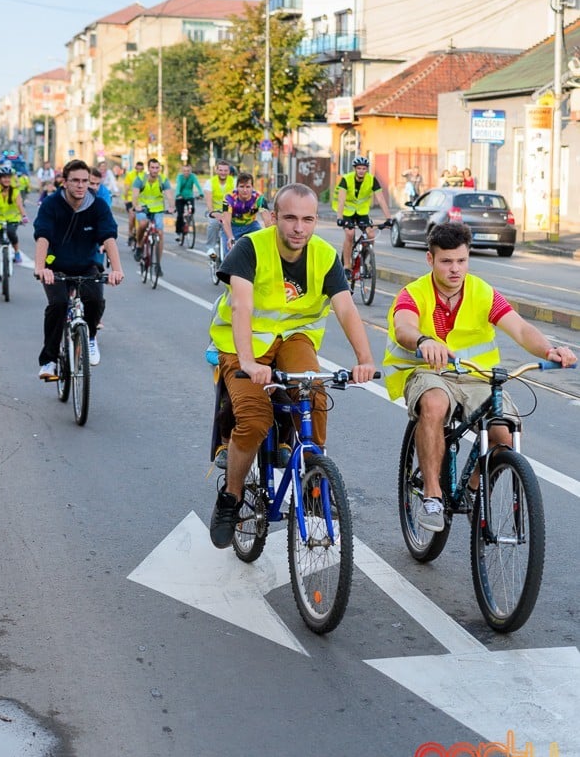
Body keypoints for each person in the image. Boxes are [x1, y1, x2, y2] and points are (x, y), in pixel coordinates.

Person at [207, 182, 380, 548]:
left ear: (317, 221)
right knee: (254, 420)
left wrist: (364, 359)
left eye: (307, 219)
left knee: (313, 392)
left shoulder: (324, 254)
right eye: (289, 218)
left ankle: (315, 480)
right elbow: (241, 307)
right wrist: (250, 362)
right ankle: (231, 498)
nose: (298, 228)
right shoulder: (249, 247)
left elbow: (346, 307)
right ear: (272, 217)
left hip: (296, 337)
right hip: (244, 342)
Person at [382, 222, 576, 533]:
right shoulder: (414, 293)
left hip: (475, 377)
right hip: (428, 373)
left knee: (504, 436)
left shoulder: (481, 292)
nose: (455, 269)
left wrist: (549, 351)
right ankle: (432, 496)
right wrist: (423, 342)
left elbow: (521, 329)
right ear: (430, 260)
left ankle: (473, 487)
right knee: (434, 405)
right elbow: (404, 327)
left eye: (461, 260)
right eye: (446, 261)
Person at [33, 159, 124, 380]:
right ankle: (49, 361)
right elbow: (43, 235)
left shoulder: (97, 205)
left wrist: (117, 269)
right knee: (58, 304)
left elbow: (108, 236)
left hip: (86, 264)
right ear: (65, 182)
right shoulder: (51, 204)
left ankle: (90, 337)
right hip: (55, 266)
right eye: (75, 180)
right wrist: (40, 267)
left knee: (94, 301)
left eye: (85, 181)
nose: (81, 185)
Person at [334, 156, 392, 278]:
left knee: (370, 235)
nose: (361, 171)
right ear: (355, 169)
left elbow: (381, 199)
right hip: (347, 212)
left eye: (364, 168)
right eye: (359, 168)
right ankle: (347, 267)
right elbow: (341, 200)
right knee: (349, 234)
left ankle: (365, 260)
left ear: (367, 169)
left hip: (362, 212)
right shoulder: (346, 179)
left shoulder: (371, 180)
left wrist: (388, 218)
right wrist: (339, 218)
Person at [0, 165, 27, 289]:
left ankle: (17, 253)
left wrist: (24, 216)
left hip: (11, 219)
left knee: (12, 233)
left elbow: (19, 205)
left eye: (8, 177)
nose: (7, 180)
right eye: (4, 178)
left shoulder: (15, 191)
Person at [132, 158, 174, 272]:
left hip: (158, 210)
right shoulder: (140, 179)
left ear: (159, 168)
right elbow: (135, 195)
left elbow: (169, 195)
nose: (155, 170)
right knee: (143, 224)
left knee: (160, 233)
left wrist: (171, 207)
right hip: (143, 209)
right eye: (152, 167)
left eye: (157, 168)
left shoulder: (163, 180)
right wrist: (136, 205)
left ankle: (158, 264)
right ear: (148, 168)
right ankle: (139, 246)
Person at [220, 172, 270, 254]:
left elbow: (267, 220)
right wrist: (230, 237)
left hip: (251, 226)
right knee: (230, 256)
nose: (245, 190)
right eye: (241, 186)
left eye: (248, 187)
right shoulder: (228, 198)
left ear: (252, 187)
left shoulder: (259, 198)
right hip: (233, 227)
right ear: (237, 187)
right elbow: (226, 221)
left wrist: (270, 236)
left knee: (262, 247)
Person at [204, 160, 236, 258]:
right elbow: (209, 201)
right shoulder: (210, 182)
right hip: (216, 211)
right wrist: (212, 212)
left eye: (225, 170)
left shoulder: (234, 181)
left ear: (229, 171)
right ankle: (210, 247)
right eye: (220, 170)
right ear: (216, 170)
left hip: (231, 211)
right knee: (213, 224)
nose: (223, 172)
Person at [174, 164, 203, 242]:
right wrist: (178, 194)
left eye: (188, 171)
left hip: (189, 197)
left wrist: (201, 194)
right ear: (182, 171)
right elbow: (178, 187)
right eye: (184, 171)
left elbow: (198, 185)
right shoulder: (180, 177)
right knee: (180, 215)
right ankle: (178, 232)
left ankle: (188, 222)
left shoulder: (193, 177)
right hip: (180, 197)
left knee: (192, 210)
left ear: (191, 171)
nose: (186, 172)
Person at [123, 161, 145, 244]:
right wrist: (125, 198)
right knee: (132, 216)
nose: (139, 170)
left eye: (141, 169)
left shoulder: (145, 176)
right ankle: (130, 234)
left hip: (141, 200)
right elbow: (126, 188)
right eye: (137, 169)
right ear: (135, 168)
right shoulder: (130, 175)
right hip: (130, 199)